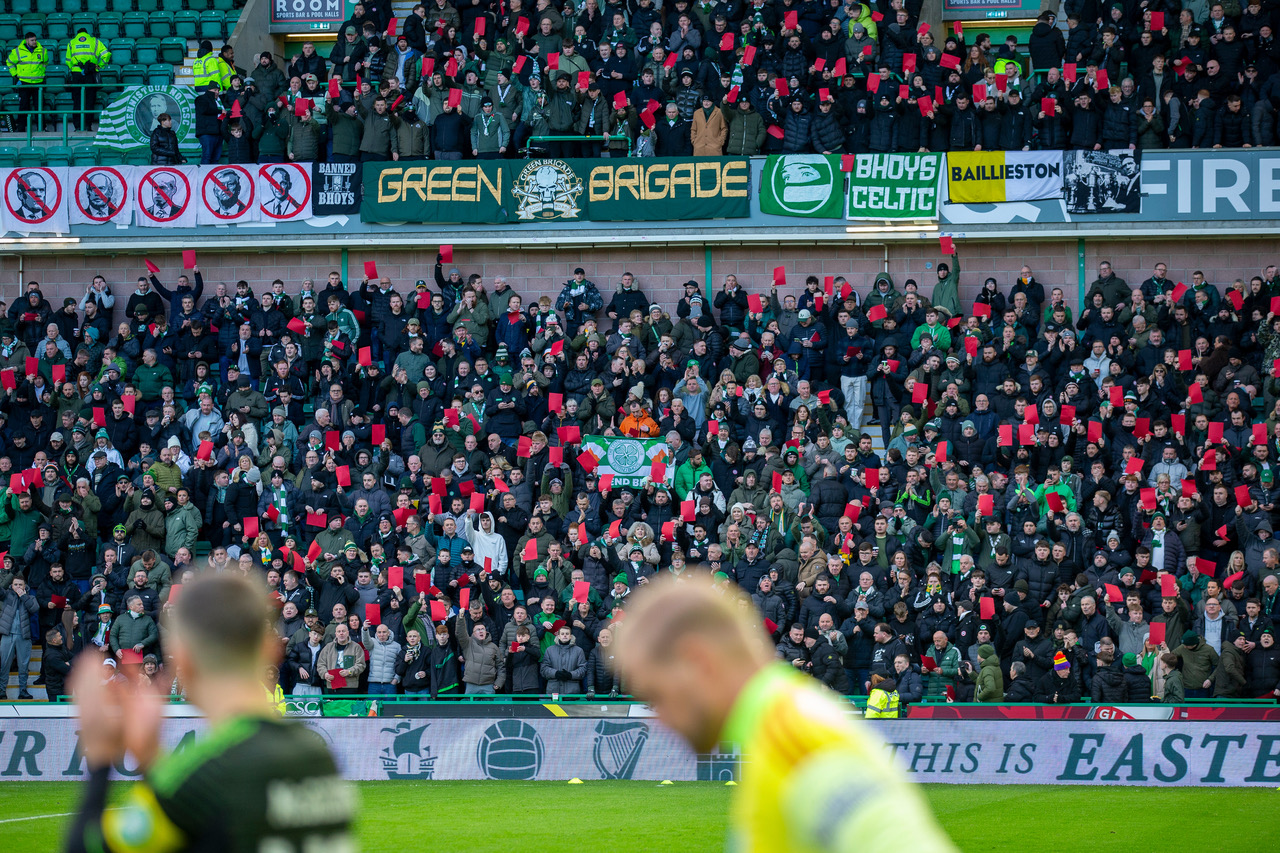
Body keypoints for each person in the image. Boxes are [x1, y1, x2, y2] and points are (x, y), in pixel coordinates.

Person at [616, 576, 957, 852]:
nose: (660, 719)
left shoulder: (797, 739)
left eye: (658, 695)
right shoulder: (774, 728)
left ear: (698, 661)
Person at [63, 573, 356, 852]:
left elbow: (87, 847)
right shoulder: (319, 756)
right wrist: (150, 759)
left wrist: (101, 757)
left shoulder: (203, 773)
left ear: (185, 663)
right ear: (269, 650)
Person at [64, 27, 111, 128]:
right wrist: (100, 65)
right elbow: (106, 54)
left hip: (76, 75)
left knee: (77, 101)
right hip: (90, 74)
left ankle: (77, 126)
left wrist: (75, 68)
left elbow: (68, 61)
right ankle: (88, 126)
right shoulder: (95, 41)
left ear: (78, 34)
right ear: (86, 33)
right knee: (89, 100)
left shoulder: (72, 42)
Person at [6, 33, 48, 131]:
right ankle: (21, 128)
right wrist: (15, 75)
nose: (35, 42)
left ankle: (41, 128)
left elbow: (45, 62)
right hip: (24, 82)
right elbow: (9, 62)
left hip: (38, 82)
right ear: (26, 40)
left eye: (35, 40)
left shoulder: (42, 51)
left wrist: (41, 72)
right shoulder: (17, 51)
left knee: (40, 107)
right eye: (32, 40)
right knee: (23, 106)